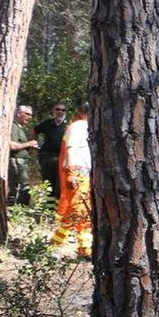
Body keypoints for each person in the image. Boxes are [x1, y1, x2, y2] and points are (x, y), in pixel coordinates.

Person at [51, 103, 92, 258]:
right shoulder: (78, 126)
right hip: (77, 170)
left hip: (84, 171)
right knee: (80, 208)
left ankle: (56, 243)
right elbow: (71, 148)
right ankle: (84, 247)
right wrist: (71, 172)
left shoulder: (85, 126)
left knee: (74, 208)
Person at [34, 102, 69, 199]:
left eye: (63, 110)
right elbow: (34, 130)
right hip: (47, 157)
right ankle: (49, 206)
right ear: (53, 111)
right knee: (48, 183)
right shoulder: (47, 123)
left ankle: (59, 206)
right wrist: (35, 144)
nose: (60, 112)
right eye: (57, 109)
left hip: (62, 158)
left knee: (60, 183)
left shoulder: (69, 125)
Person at [8, 104, 37, 206]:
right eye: (27, 114)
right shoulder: (13, 127)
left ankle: (15, 209)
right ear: (18, 114)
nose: (29, 117)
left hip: (21, 163)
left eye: (31, 115)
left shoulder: (20, 128)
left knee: (19, 189)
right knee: (22, 188)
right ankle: (19, 210)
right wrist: (29, 143)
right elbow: (11, 145)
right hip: (16, 163)